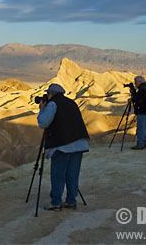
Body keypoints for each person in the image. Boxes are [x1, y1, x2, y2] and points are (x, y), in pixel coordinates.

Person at [37, 83, 89, 211]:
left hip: (62, 146)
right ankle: (71, 201)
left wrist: (42, 109)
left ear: (51, 94)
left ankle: (56, 202)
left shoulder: (53, 104)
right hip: (79, 144)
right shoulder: (72, 103)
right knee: (73, 174)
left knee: (58, 175)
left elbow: (43, 122)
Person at [130, 76, 146, 150]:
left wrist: (133, 99)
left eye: (136, 82)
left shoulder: (142, 90)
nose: (135, 84)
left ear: (140, 82)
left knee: (140, 129)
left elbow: (139, 100)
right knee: (143, 128)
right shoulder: (144, 88)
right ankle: (145, 143)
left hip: (143, 111)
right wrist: (134, 92)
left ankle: (140, 144)